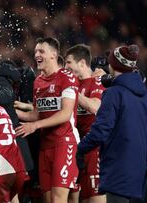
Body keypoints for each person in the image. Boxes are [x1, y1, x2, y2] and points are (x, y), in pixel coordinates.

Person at [77, 44, 147, 203]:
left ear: (113, 65)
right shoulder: (143, 93)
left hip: (119, 169)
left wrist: (80, 148)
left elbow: (101, 131)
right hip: (140, 170)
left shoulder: (113, 93)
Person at [15, 37, 80, 203]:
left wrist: (34, 126)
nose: (36, 54)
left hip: (64, 144)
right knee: (48, 199)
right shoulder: (38, 82)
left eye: (41, 51)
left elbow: (66, 114)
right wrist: (9, 110)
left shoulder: (67, 77)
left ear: (54, 54)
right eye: (35, 51)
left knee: (58, 199)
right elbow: (37, 114)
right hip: (45, 147)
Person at [65, 44, 106, 203]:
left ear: (82, 63)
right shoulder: (71, 82)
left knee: (95, 197)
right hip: (74, 147)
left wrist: (73, 89)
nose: (66, 67)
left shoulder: (98, 80)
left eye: (69, 62)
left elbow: (95, 106)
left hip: (93, 148)